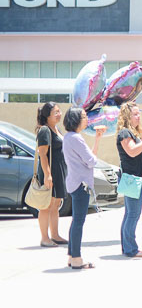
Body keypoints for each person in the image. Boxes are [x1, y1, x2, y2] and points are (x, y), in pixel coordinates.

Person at [61, 107, 104, 269]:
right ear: (76, 119)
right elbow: (92, 161)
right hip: (81, 185)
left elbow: (88, 159)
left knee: (76, 221)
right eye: (84, 116)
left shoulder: (69, 137)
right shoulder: (76, 139)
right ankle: (77, 259)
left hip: (74, 183)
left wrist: (97, 139)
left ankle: (72, 256)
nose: (87, 119)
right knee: (79, 221)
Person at [116, 102, 142, 258]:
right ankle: (131, 249)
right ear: (127, 116)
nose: (138, 116)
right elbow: (132, 152)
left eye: (139, 112)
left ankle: (127, 247)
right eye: (135, 114)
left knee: (130, 213)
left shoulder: (132, 132)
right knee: (133, 213)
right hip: (131, 178)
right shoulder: (125, 133)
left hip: (134, 178)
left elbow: (140, 155)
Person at [35, 102, 67, 248]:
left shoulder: (56, 129)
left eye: (59, 111)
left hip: (59, 171)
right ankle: (44, 238)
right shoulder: (44, 131)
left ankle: (55, 235)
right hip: (50, 172)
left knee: (56, 204)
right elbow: (42, 154)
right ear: (47, 116)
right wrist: (47, 175)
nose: (59, 114)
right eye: (56, 112)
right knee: (46, 205)